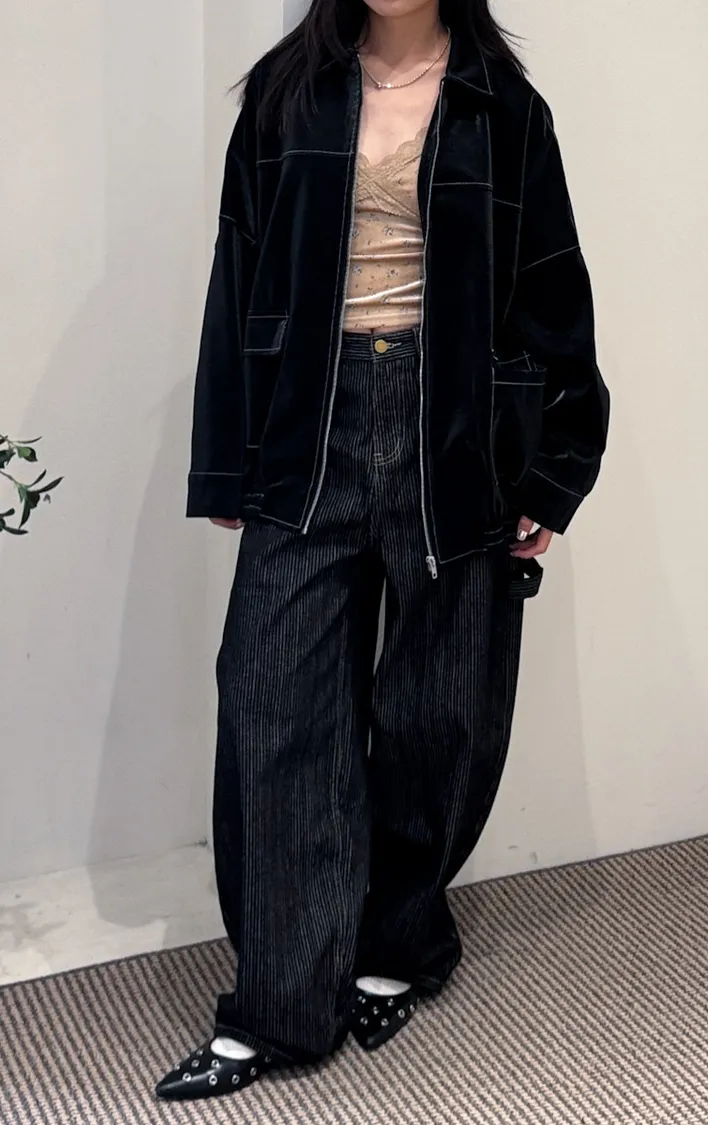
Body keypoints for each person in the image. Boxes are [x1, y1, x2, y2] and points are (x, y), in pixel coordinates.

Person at [156, 0, 609, 1102]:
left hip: (456, 430)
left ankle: (395, 944)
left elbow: (555, 292)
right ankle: (278, 1002)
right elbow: (238, 273)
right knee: (271, 703)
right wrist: (227, 459)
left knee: (438, 711)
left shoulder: (504, 107)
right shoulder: (286, 95)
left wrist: (555, 469)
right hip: (308, 424)